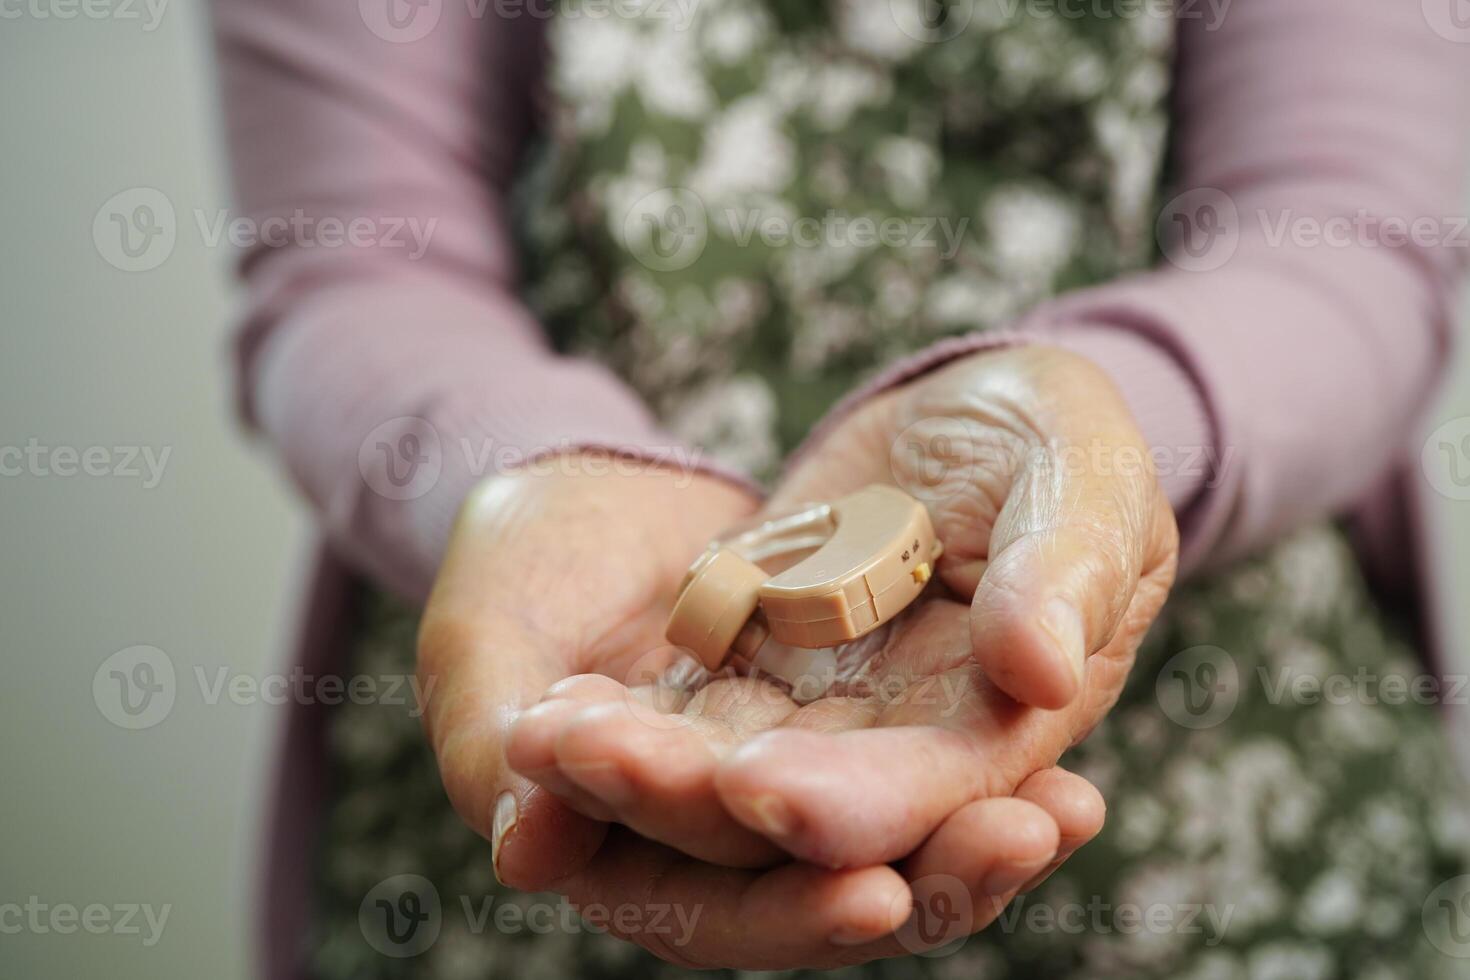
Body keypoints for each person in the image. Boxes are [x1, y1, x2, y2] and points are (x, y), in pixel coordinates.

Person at [214, 0, 1470, 976]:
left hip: (1227, 801)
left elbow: (1348, 232)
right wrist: (526, 471)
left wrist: (1107, 421)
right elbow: (354, 262)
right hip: (557, 714)